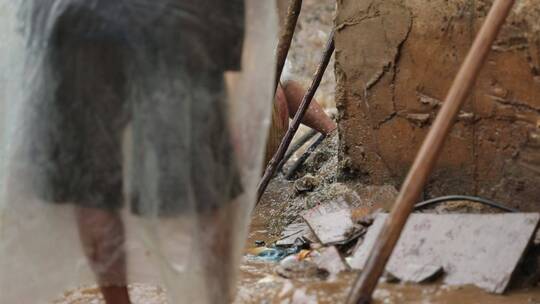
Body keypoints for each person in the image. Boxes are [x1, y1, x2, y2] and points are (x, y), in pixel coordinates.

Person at [21, 1, 245, 303]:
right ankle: (217, 299)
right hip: (179, 14)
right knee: (208, 169)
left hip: (73, 13)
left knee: (92, 176)